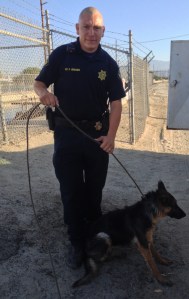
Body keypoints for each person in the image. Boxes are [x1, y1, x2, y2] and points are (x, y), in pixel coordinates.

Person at [34, 7, 125, 269]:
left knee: (94, 191)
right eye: (86, 26)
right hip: (67, 136)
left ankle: (94, 234)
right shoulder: (62, 55)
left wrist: (111, 136)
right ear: (77, 29)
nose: (91, 32)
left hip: (97, 138)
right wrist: (43, 94)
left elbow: (116, 104)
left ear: (103, 31)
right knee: (71, 191)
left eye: (97, 27)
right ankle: (76, 242)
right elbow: (39, 83)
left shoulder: (108, 64)